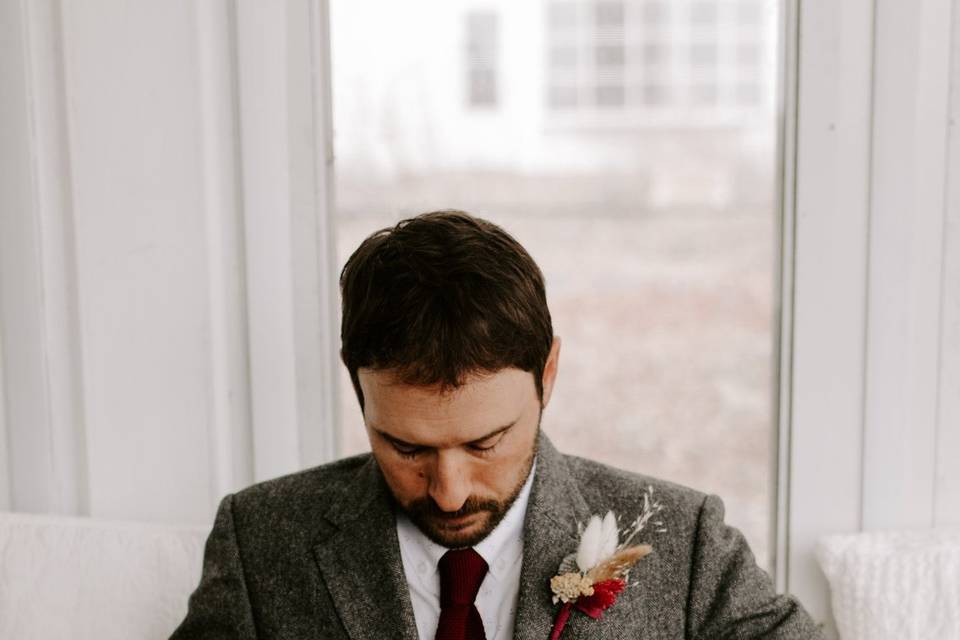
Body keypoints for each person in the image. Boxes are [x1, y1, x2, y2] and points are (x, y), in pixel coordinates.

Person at [171, 210, 823, 639]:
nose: (449, 491)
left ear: (549, 375)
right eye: (405, 446)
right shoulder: (259, 542)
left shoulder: (684, 542)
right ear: (356, 390)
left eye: (486, 443)